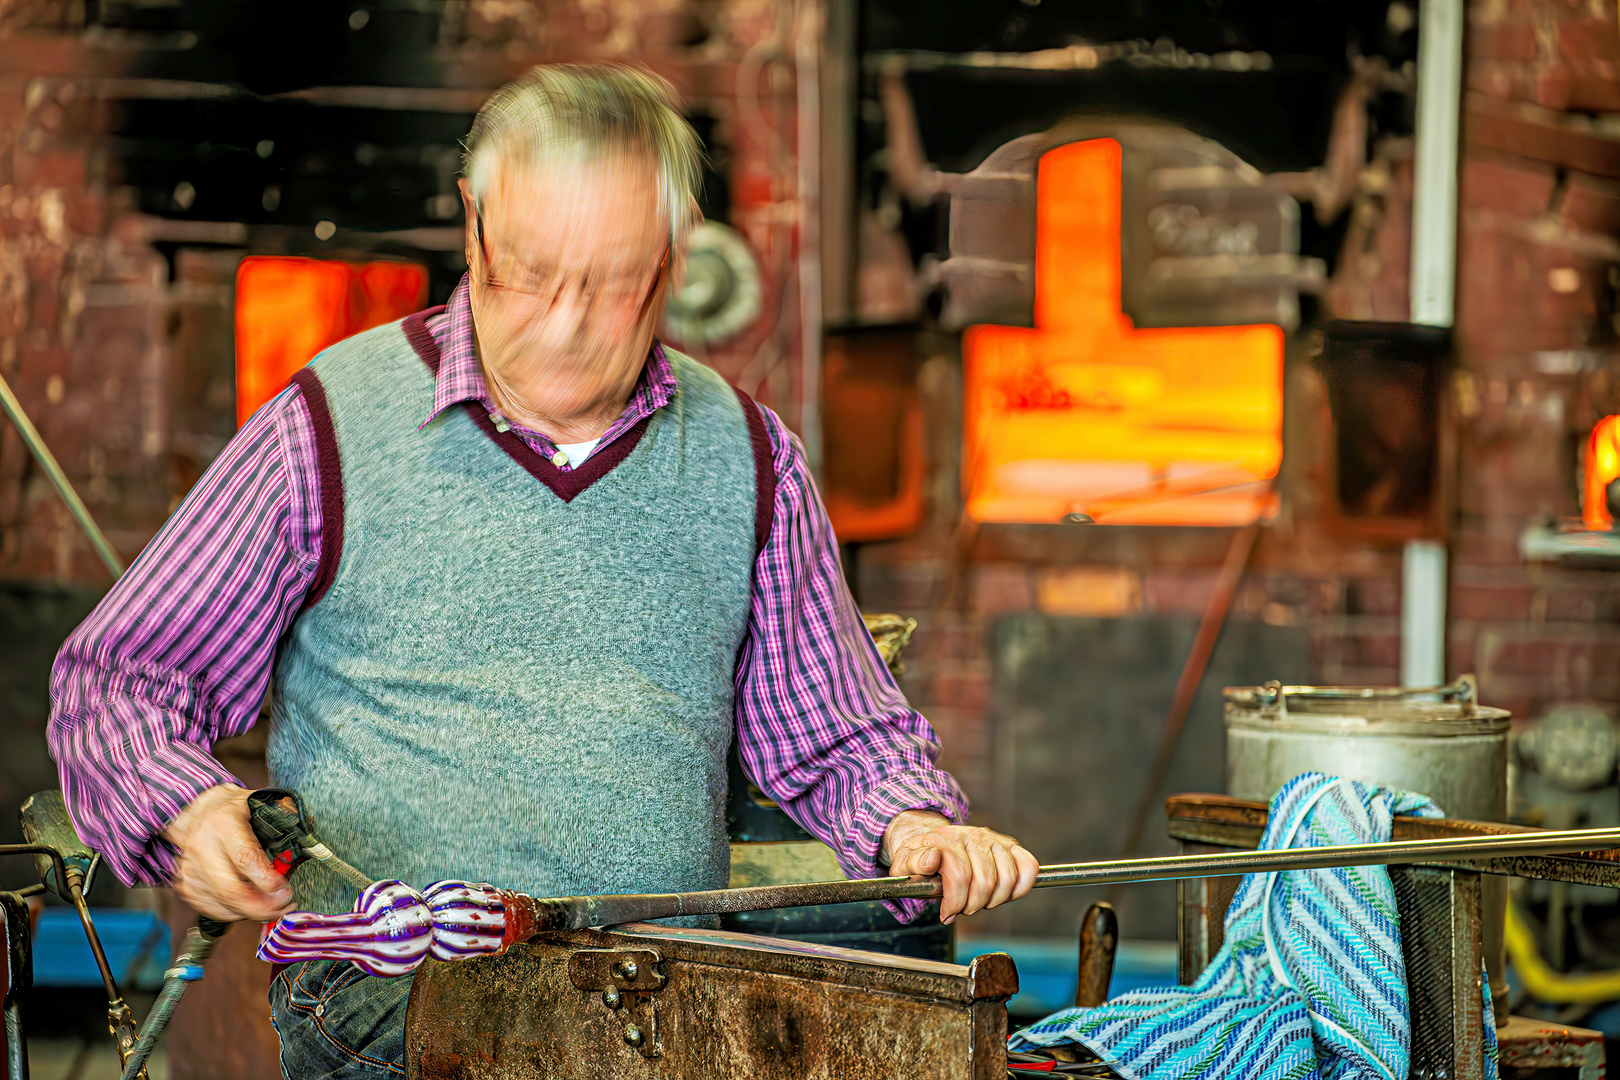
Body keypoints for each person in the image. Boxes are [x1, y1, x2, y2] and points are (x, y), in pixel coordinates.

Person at [48, 63, 1038, 1079]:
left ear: (674, 258)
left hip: (660, 990)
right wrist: (191, 806)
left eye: (611, 285)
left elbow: (835, 732)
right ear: (473, 226)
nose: (566, 328)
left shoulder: (747, 456)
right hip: (392, 990)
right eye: (531, 274)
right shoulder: (330, 427)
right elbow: (122, 679)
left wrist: (915, 824)